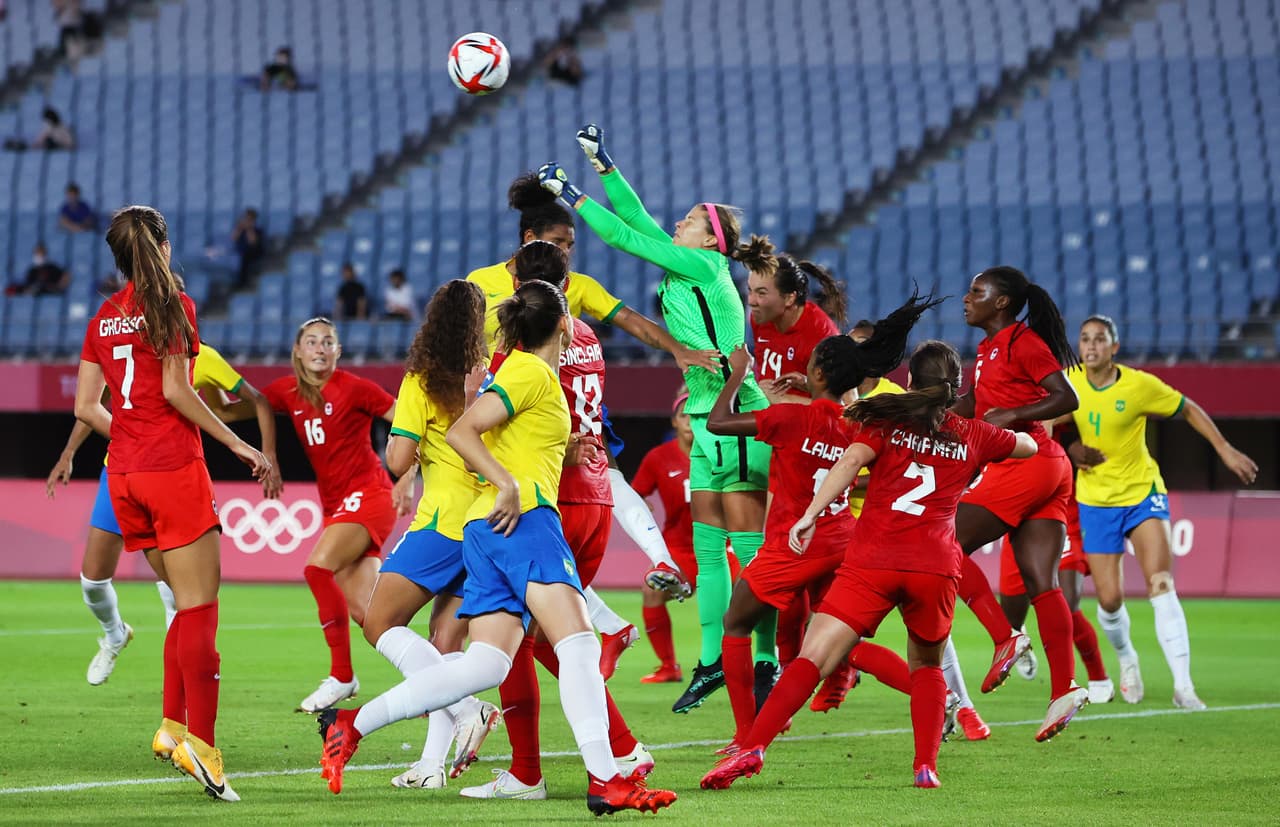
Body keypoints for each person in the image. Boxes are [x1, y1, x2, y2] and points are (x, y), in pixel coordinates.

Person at [316, 281, 678, 816]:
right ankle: (607, 779)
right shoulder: (531, 371)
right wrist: (508, 484)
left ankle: (352, 724)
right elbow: (464, 432)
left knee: (486, 665)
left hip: (487, 530)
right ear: (564, 325)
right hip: (523, 520)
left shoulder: (515, 371)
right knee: (578, 646)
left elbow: (487, 433)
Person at [702, 339, 1037, 791]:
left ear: (910, 383)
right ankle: (925, 767)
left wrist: (809, 514)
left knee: (814, 655)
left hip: (874, 560)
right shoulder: (975, 434)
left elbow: (850, 461)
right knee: (927, 665)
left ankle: (755, 746)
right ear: (957, 389)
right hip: (934, 566)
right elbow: (1027, 448)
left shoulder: (885, 419)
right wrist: (1009, 422)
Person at [541, 123, 778, 714]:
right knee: (707, 544)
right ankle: (710, 663)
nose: (677, 224)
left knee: (748, 548)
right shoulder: (688, 265)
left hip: (736, 416)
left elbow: (625, 234)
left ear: (710, 239)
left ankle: (768, 657)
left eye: (689, 220)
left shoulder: (703, 269)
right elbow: (638, 218)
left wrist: (569, 194)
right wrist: (603, 163)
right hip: (704, 417)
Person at [74, 205, 271, 801]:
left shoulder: (103, 317)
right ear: (162, 245)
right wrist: (238, 442)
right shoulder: (175, 309)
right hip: (173, 472)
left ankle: (169, 727)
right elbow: (177, 390)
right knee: (200, 608)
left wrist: (129, 437)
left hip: (126, 478)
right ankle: (203, 748)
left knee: (183, 606)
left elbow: (87, 407)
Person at [462, 239, 656, 802]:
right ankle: (615, 749)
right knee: (555, 633)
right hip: (595, 494)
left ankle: (535, 771)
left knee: (514, 638)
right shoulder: (586, 335)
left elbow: (486, 418)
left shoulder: (523, 355)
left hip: (548, 498)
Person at [707, 293, 942, 752]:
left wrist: (738, 372)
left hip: (796, 542)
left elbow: (718, 422)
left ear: (816, 374)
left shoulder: (788, 418)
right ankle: (937, 697)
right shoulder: (862, 425)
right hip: (844, 541)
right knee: (840, 647)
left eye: (811, 361)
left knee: (734, 624)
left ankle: (742, 737)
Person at [468, 173, 708, 607]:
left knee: (586, 492)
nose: (567, 253)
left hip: (556, 405)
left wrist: (676, 347)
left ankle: (658, 560)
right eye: (560, 242)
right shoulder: (482, 283)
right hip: (501, 406)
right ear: (529, 238)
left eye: (571, 245)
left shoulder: (573, 287)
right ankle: (611, 624)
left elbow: (631, 319)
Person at [49, 340, 281, 685]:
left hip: (170, 477)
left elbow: (242, 404)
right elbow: (97, 403)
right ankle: (115, 635)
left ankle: (181, 687)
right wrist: (69, 452)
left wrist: (269, 446)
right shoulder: (130, 347)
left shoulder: (203, 356)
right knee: (92, 582)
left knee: (178, 590)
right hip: (120, 473)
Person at [1061, 315, 1256, 709]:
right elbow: (1044, 424)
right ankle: (1127, 658)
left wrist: (1224, 449)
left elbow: (1188, 408)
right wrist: (1069, 450)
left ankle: (1184, 687)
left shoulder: (1138, 386)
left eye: (1100, 339)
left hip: (1141, 492)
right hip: (1096, 500)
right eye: (1085, 339)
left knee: (1161, 582)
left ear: (1114, 348)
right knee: (1110, 599)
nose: (1092, 346)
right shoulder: (1070, 382)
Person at [369, 280, 499, 789]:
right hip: (489, 523)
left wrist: (407, 445)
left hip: (444, 523)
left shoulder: (421, 381)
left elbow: (399, 459)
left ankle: (470, 709)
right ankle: (430, 767)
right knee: (446, 642)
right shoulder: (495, 374)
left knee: (380, 622)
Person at [949, 265, 1088, 741]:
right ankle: (1064, 688)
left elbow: (1064, 397)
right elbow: (974, 405)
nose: (966, 298)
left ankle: (1004, 636)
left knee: (942, 543)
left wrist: (1015, 414)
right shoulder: (990, 349)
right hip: (1050, 470)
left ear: (1002, 302)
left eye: (976, 291)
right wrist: (923, 412)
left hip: (1025, 463)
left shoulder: (1023, 343)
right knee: (1041, 583)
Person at [263, 318, 398, 713]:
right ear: (298, 351)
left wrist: (408, 474)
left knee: (316, 569)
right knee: (372, 617)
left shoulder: (355, 387)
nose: (320, 348)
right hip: (336, 506)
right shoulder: (286, 392)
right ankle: (436, 682)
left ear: (338, 351)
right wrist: (268, 454)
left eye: (327, 342)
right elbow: (251, 403)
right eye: (311, 342)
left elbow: (406, 418)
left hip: (370, 494)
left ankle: (342, 675)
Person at [630, 388, 703, 684]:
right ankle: (669, 666)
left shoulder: (718, 450)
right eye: (683, 414)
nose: (689, 420)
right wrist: (640, 504)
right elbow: (635, 495)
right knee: (651, 590)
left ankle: (764, 661)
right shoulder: (659, 458)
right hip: (679, 549)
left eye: (695, 414)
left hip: (723, 546)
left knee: (752, 597)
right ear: (673, 422)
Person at [747, 256, 846, 400]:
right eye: (750, 291)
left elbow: (844, 412)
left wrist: (783, 402)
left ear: (789, 298)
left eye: (761, 293)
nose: (751, 301)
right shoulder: (761, 317)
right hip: (766, 418)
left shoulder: (823, 336)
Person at [231, 208, 265, 288]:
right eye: (245, 218)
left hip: (253, 253)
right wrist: (239, 228)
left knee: (244, 258)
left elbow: (252, 242)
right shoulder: (240, 229)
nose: (246, 220)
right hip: (240, 251)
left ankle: (241, 283)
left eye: (249, 219)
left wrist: (249, 229)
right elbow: (233, 238)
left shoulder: (258, 231)